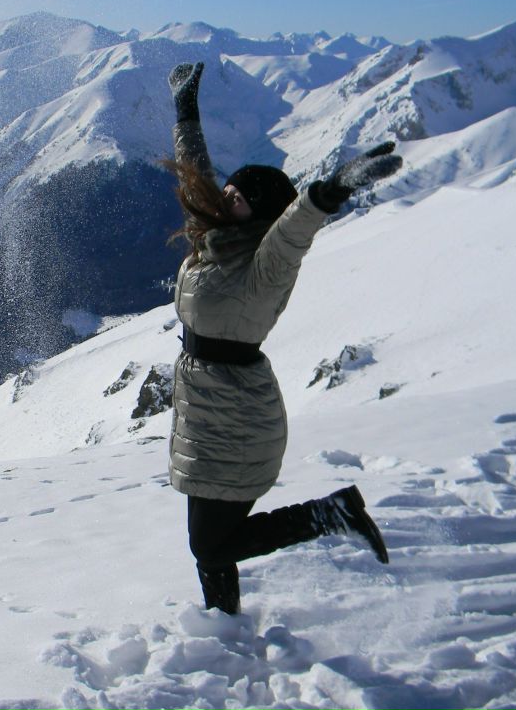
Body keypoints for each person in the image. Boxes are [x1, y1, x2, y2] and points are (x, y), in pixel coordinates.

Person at [166, 61, 398, 615]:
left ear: (260, 215)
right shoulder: (213, 237)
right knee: (210, 544)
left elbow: (295, 229)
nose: (225, 197)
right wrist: (185, 110)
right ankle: (225, 631)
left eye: (240, 196)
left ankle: (333, 514)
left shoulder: (264, 267)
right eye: (228, 190)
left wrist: (331, 191)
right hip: (206, 408)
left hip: (238, 417)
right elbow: (193, 173)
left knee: (211, 541)